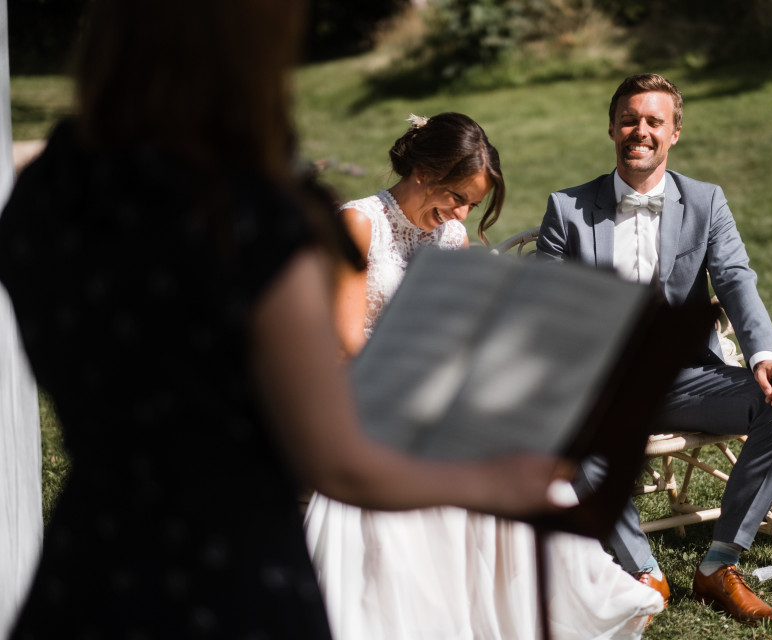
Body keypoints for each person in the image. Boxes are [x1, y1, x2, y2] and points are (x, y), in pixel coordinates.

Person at [0, 2, 568, 637]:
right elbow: (336, 459)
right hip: (232, 574)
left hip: (90, 569)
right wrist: (491, 484)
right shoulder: (253, 216)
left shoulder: (45, 196)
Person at [304, 113, 663, 639]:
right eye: (458, 198)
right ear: (424, 173)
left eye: (472, 206)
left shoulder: (449, 236)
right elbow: (346, 342)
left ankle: (541, 597)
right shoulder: (359, 224)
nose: (461, 214)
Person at [536, 73, 772, 625]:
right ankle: (641, 569)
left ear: (674, 132)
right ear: (612, 128)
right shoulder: (567, 208)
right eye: (628, 120)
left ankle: (719, 563)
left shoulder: (706, 201)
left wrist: (766, 356)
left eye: (653, 121)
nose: (639, 131)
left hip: (686, 378)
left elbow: (735, 279)